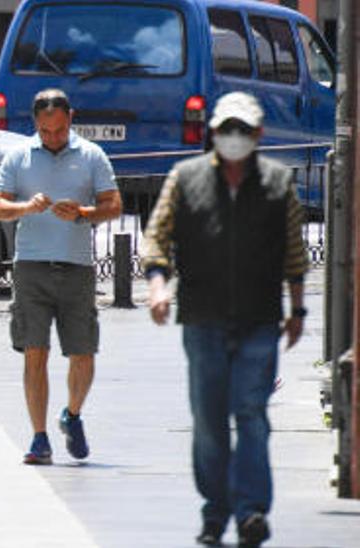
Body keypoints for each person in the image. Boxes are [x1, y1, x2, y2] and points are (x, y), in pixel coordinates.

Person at [141, 91, 306, 548]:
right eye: (226, 129)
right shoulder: (185, 178)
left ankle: (252, 511)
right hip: (203, 318)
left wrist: (298, 309)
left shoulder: (278, 183)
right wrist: (158, 289)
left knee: (251, 413)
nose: (234, 138)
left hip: (259, 319)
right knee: (210, 421)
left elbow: (294, 249)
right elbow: (157, 239)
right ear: (214, 133)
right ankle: (215, 511)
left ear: (258, 135)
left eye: (243, 130)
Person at [0, 88, 122, 465]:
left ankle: (72, 415)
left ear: (70, 120)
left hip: (76, 266)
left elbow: (114, 205)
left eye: (59, 130)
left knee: (83, 353)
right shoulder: (18, 156)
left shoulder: (92, 156)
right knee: (35, 351)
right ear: (35, 125)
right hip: (30, 266)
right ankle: (39, 437)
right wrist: (25, 207)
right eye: (46, 132)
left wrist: (82, 212)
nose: (53, 138)